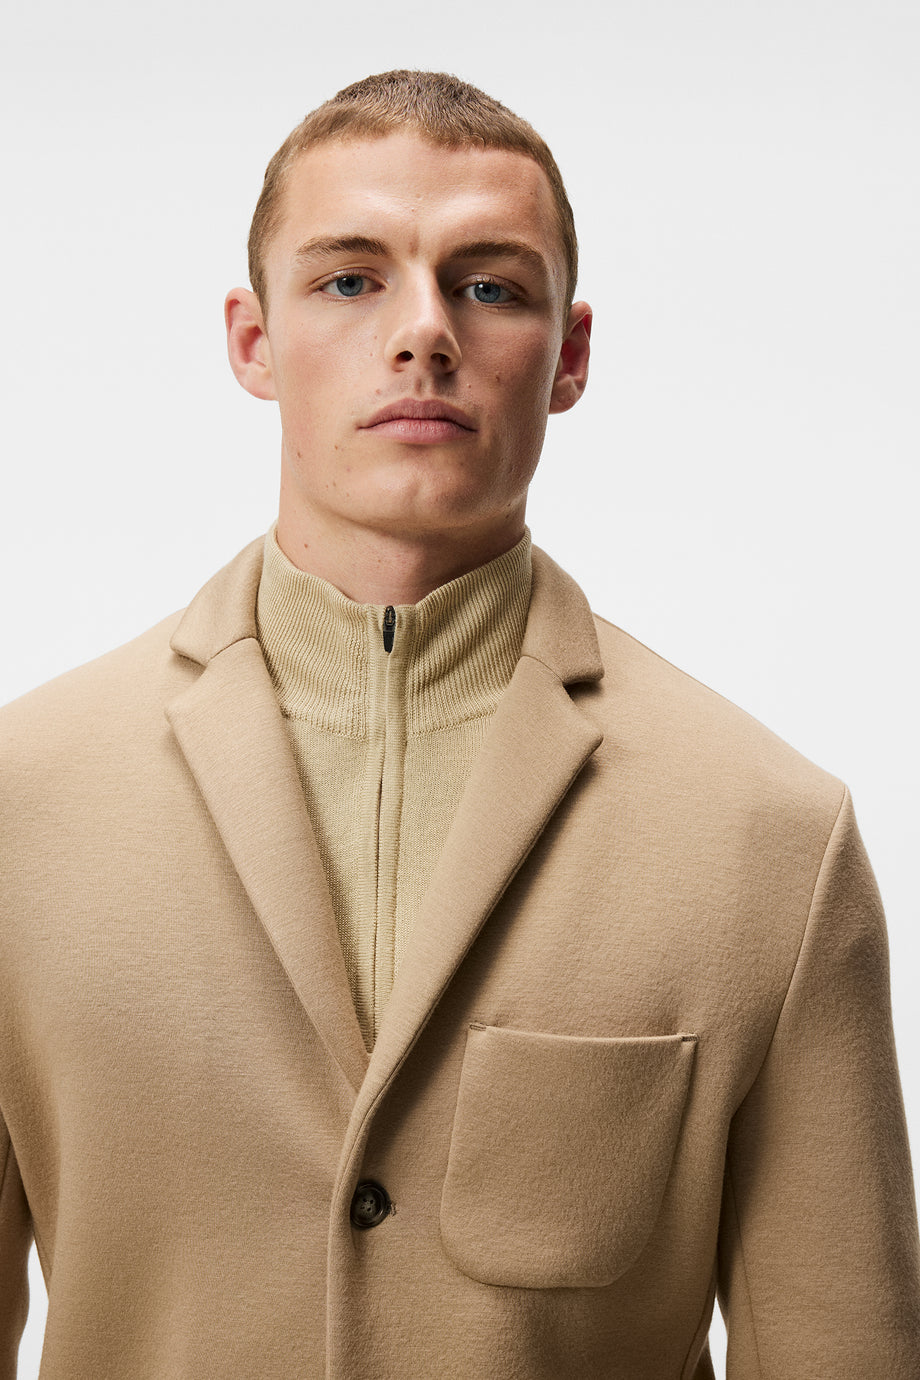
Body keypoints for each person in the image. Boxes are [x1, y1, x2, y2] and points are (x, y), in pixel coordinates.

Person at [0, 68, 917, 1380]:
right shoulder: (21, 808)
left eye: (488, 285)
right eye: (349, 280)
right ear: (253, 341)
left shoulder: (770, 842)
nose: (423, 332)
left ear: (571, 355)